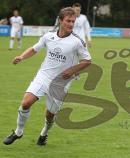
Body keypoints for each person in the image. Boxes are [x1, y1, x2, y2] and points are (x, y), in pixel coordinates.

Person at [3, 7, 91, 146]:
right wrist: (21, 56)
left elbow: (87, 61)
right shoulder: (48, 36)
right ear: (60, 20)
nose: (71, 24)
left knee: (50, 114)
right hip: (43, 75)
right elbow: (34, 49)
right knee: (26, 103)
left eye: (73, 21)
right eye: (68, 21)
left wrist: (72, 70)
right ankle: (18, 132)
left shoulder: (77, 41)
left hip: (61, 82)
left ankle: (44, 132)